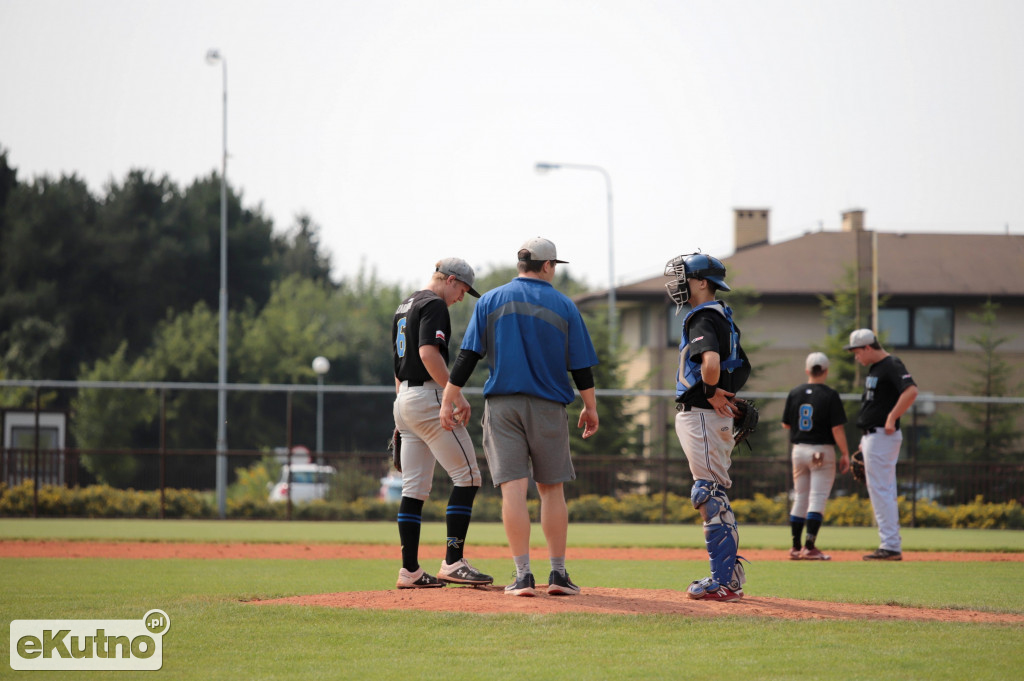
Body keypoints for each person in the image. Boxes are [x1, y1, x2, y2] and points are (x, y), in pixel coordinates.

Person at [440, 237, 599, 597]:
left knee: (513, 489)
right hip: (548, 407)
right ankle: (557, 575)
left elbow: (467, 356)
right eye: (554, 265)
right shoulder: (565, 305)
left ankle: (523, 575)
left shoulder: (491, 300)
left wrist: (449, 397)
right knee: (551, 489)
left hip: (503, 407)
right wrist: (590, 407)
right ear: (547, 266)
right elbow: (581, 367)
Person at [391, 257, 493, 589]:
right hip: (429, 397)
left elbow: (398, 364)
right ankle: (453, 561)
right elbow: (427, 353)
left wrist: (402, 413)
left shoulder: (404, 305)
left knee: (414, 489)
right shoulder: (435, 304)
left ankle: (410, 571)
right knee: (469, 477)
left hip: (404, 399)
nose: (462, 296)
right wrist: (454, 395)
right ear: (449, 280)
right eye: (463, 288)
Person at [664, 252, 751, 602]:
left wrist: (713, 391)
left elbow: (711, 362)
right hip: (708, 414)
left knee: (708, 494)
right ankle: (729, 574)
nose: (679, 284)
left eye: (685, 278)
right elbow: (742, 367)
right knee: (712, 491)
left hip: (701, 412)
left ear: (702, 283)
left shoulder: (702, 316)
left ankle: (723, 581)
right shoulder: (723, 316)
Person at [844, 328, 918, 561]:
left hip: (883, 436)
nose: (857, 357)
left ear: (868, 347)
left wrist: (891, 417)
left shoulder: (891, 364)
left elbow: (911, 391)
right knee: (882, 490)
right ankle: (890, 544)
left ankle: (890, 545)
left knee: (882, 490)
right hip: (873, 436)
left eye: (857, 352)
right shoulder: (876, 369)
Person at [781, 351, 851, 561]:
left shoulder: (795, 392)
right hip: (821, 450)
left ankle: (795, 547)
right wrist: (845, 452)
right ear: (826, 371)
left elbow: (786, 424)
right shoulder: (830, 394)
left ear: (807, 370)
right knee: (817, 497)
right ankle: (810, 546)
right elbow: (837, 428)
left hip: (799, 450)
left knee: (801, 496)